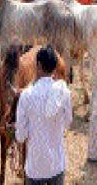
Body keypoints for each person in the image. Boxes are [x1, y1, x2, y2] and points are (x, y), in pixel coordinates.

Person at [16, 46, 72, 185]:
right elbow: (67, 123)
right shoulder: (63, 92)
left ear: (38, 65)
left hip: (35, 168)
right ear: (55, 67)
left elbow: (20, 136)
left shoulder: (27, 95)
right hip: (57, 165)